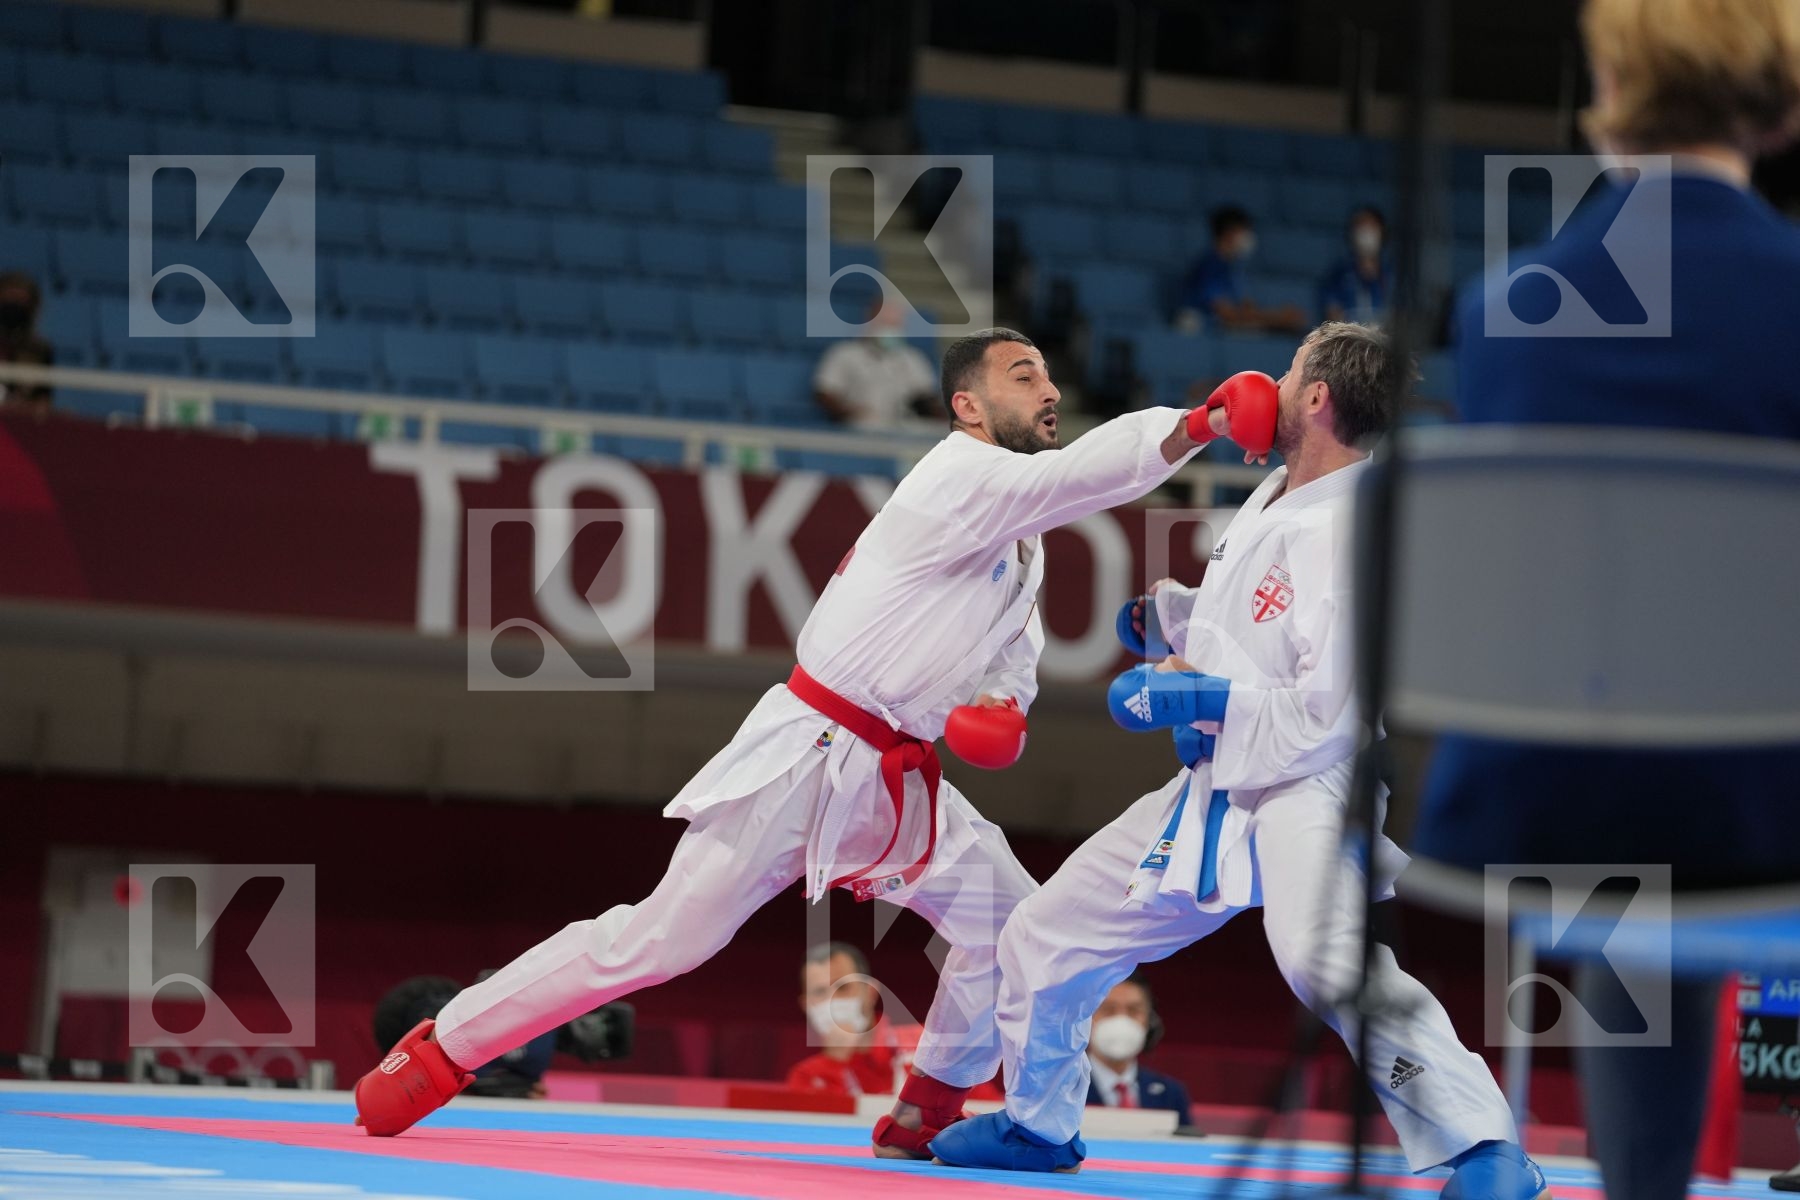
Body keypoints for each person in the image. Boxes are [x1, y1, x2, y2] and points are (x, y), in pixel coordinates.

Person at [352, 328, 1242, 1158]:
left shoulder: (1025, 543)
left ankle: (929, 1099)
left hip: (900, 776)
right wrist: (1199, 422)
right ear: (967, 407)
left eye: (1051, 377)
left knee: (1012, 923)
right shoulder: (957, 476)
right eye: (1025, 377)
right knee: (661, 941)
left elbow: (1016, 651)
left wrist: (1005, 706)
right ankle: (442, 1049)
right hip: (809, 753)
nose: (1049, 391)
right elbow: (1088, 476)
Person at [932, 323, 1550, 1200]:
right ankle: (1040, 1123)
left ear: (1318, 398)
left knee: (1322, 960)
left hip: (1310, 785)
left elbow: (1331, 708)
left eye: (1292, 368)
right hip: (1214, 785)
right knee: (1046, 933)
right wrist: (1175, 616)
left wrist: (1206, 699)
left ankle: (1486, 1149)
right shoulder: (1277, 491)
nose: (1273, 380)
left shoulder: (1354, 530)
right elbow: (1258, 625)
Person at [1417, 1, 1800, 1197]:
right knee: (1706, 782)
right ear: (1787, 108)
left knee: (1642, 798)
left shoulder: (1501, 317)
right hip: (1770, 810)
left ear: (1606, 100)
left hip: (1545, 826)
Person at [786, 942, 898, 1097]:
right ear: (806, 1006)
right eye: (820, 992)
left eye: (843, 988)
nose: (832, 1001)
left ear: (871, 992)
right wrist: (833, 1062)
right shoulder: (806, 1076)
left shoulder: (922, 1045)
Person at [1084, 974, 1194, 1130]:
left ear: (1150, 1021)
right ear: (1087, 1018)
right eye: (1108, 1010)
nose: (1121, 1020)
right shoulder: (1064, 1090)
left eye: (1133, 1011)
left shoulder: (1171, 1093)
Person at [1173, 206, 1306, 335]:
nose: (1248, 237)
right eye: (1244, 231)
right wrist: (1278, 319)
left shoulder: (1233, 270)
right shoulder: (1211, 266)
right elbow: (1227, 315)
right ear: (1230, 233)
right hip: (1204, 332)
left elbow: (1246, 309)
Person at [813, 298, 939, 430]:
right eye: (885, 323)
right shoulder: (844, 354)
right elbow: (825, 392)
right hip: (858, 426)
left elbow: (925, 396)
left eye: (896, 325)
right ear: (869, 323)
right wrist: (848, 411)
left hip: (904, 428)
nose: (891, 330)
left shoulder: (912, 359)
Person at [1317, 206, 1392, 325]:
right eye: (1361, 227)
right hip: (1351, 341)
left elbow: (1403, 318)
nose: (1366, 232)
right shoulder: (1337, 276)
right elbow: (1333, 319)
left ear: (1382, 231)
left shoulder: (1393, 276)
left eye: (1371, 226)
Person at [0, 271, 54, 414]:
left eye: (20, 301)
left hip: (17, 424)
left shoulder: (40, 350)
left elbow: (43, 401)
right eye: (9, 298)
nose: (14, 306)